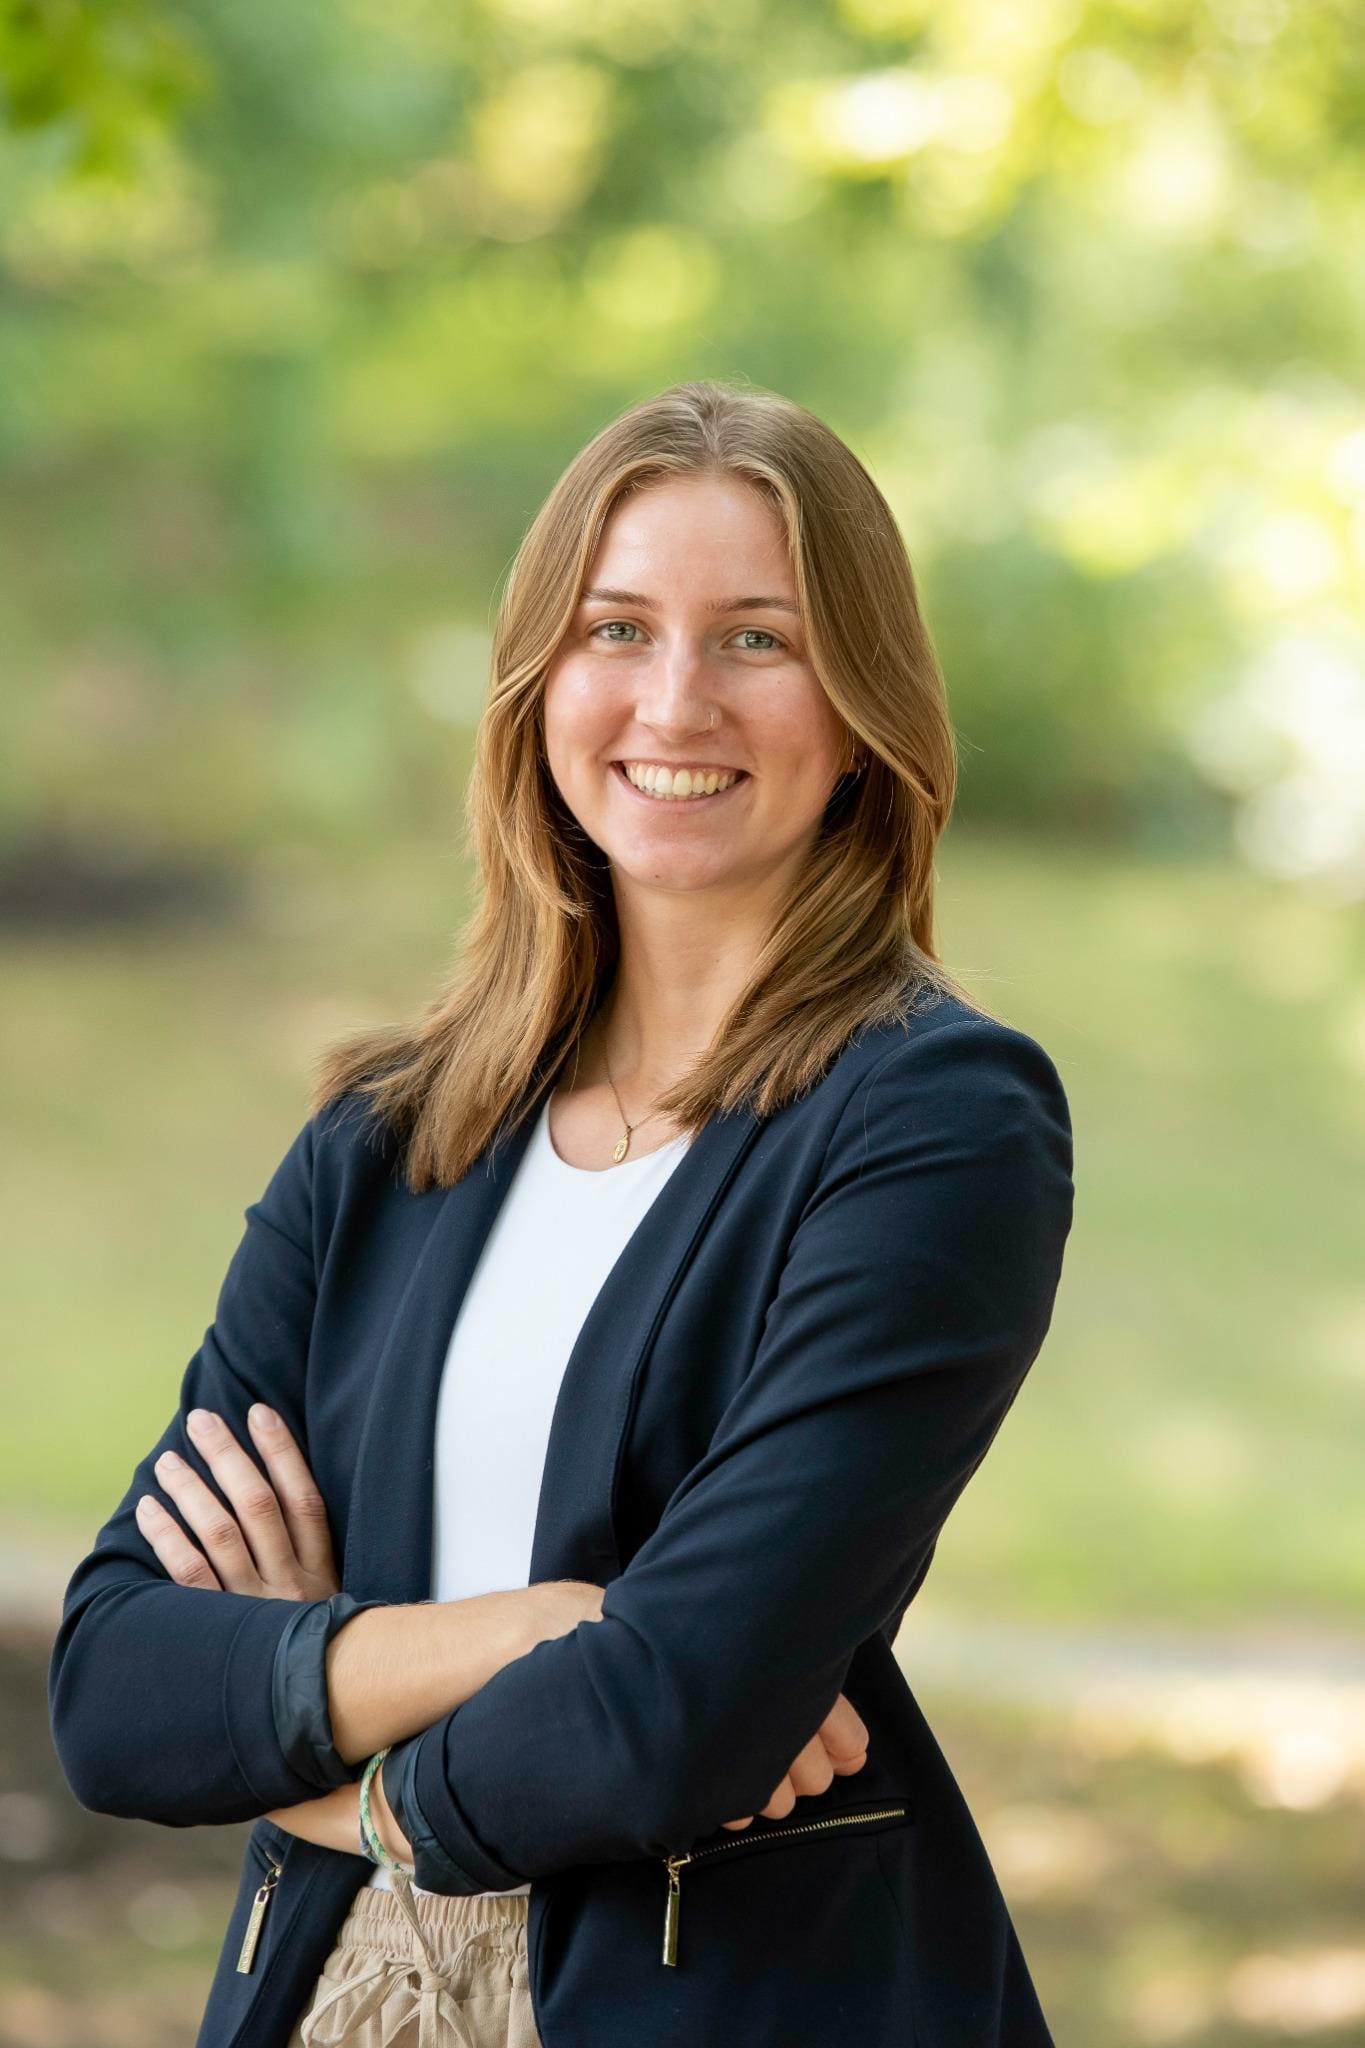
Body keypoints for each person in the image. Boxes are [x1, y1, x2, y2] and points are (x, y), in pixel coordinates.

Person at [48, 377, 1075, 2047]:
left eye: (758, 639)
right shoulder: (384, 1139)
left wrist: (321, 1734)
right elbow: (113, 1694)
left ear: (860, 705)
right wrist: (540, 1628)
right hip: (328, 1998)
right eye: (616, 628)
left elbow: (674, 1714)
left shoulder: (936, 1120)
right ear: (538, 683)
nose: (676, 699)